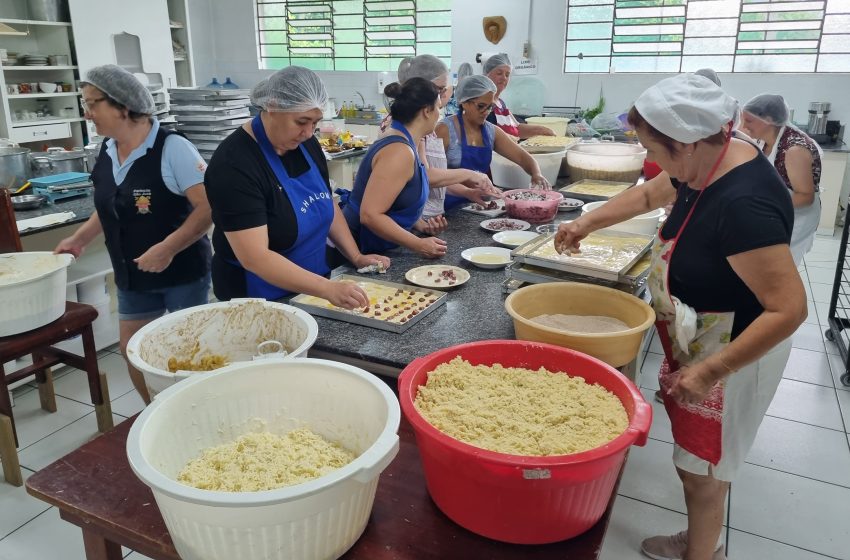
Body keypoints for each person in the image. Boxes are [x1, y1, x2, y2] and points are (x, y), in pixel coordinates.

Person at [555, 73, 806, 560]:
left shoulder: (744, 203)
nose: (655, 162)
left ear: (687, 143)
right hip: (703, 341)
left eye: (656, 150)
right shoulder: (709, 158)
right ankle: (702, 540)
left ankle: (701, 552)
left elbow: (789, 308)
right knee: (701, 462)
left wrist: (710, 371)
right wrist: (585, 222)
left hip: (735, 354)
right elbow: (650, 194)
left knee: (703, 470)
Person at [55, 64, 213, 405]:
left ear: (123, 106)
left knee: (188, 351)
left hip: (182, 272)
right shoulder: (106, 149)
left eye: (92, 104)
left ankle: (196, 412)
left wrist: (168, 248)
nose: (87, 113)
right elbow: (112, 206)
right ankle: (153, 413)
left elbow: (207, 207)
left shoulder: (173, 148)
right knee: (133, 349)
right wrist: (80, 239)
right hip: (131, 272)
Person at [204, 66, 388, 307]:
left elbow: (326, 203)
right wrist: (326, 288)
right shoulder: (234, 164)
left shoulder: (306, 144)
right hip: (258, 296)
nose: (309, 132)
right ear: (272, 107)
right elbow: (255, 257)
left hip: (313, 284)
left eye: (315, 122)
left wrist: (355, 256)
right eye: (301, 121)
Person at [383, 55, 500, 234]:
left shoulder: (423, 126)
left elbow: (427, 180)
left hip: (420, 220)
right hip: (401, 225)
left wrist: (467, 192)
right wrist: (470, 175)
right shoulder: (404, 129)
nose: (445, 94)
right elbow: (425, 176)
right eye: (440, 89)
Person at [343, 78, 447, 258]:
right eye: (438, 108)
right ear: (426, 111)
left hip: (381, 246)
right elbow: (370, 215)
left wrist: (420, 224)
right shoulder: (399, 151)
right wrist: (418, 244)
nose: (440, 114)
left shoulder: (406, 141)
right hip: (360, 249)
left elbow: (397, 199)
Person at [436, 75, 550, 209]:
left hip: (477, 206)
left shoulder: (491, 131)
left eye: (490, 107)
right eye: (481, 106)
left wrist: (536, 174)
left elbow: (522, 157)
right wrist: (467, 192)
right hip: (445, 207)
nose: (486, 112)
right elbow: (432, 176)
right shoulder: (445, 130)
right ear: (464, 102)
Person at [741, 93, 822, 265]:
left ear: (769, 120)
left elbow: (806, 196)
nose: (744, 126)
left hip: (797, 216)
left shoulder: (794, 150)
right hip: (776, 208)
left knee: (778, 264)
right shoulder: (764, 140)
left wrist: (764, 207)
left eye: (748, 121)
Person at [483, 53, 555, 139]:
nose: (504, 78)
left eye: (507, 75)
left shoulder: (500, 103)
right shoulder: (483, 103)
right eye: (499, 73)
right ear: (486, 75)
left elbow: (517, 127)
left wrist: (540, 130)